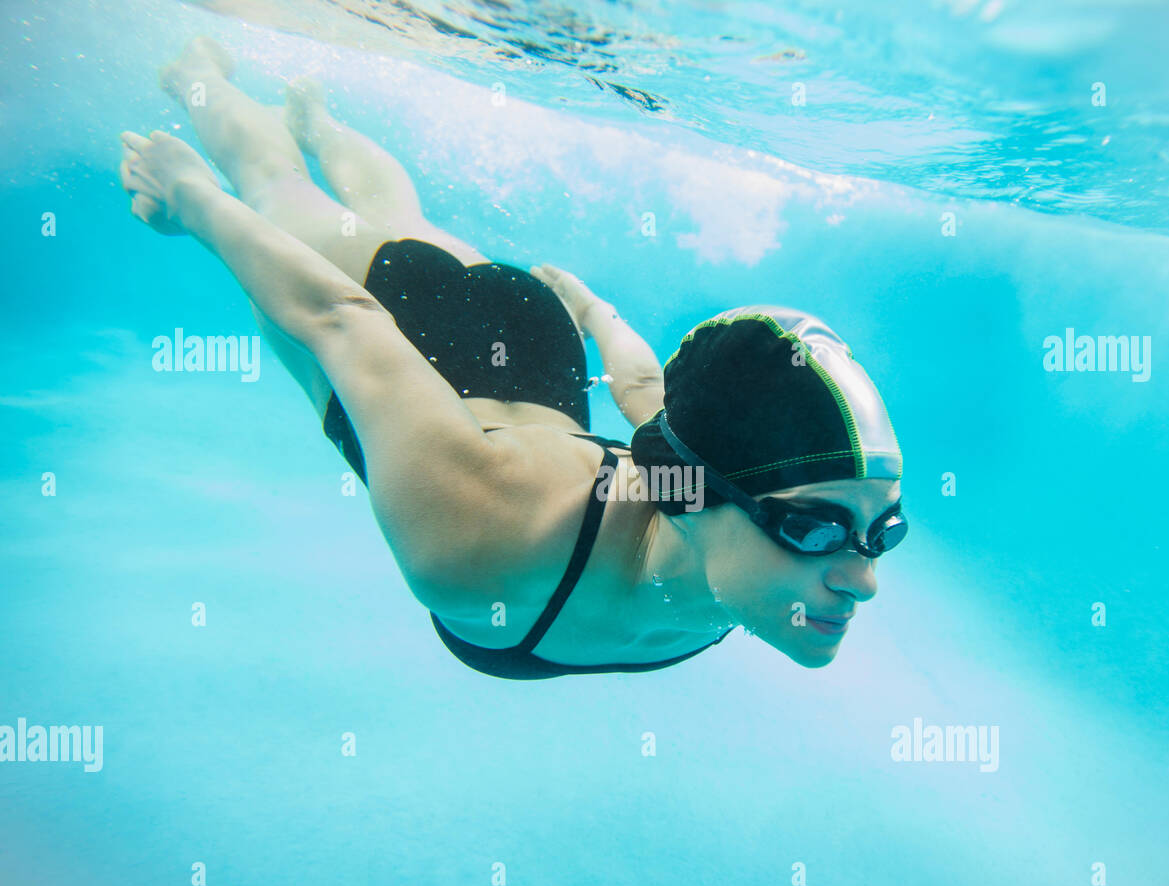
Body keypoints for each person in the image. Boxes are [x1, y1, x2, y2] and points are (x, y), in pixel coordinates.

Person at [118, 37, 908, 680]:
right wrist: (192, 198)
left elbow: (646, 397)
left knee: (399, 214)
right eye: (814, 530)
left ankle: (322, 122)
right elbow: (343, 323)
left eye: (884, 532)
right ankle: (193, 71)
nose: (863, 579)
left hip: (537, 340)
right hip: (401, 319)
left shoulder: (698, 488)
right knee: (269, 180)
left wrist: (594, 313)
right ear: (703, 500)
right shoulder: (482, 539)